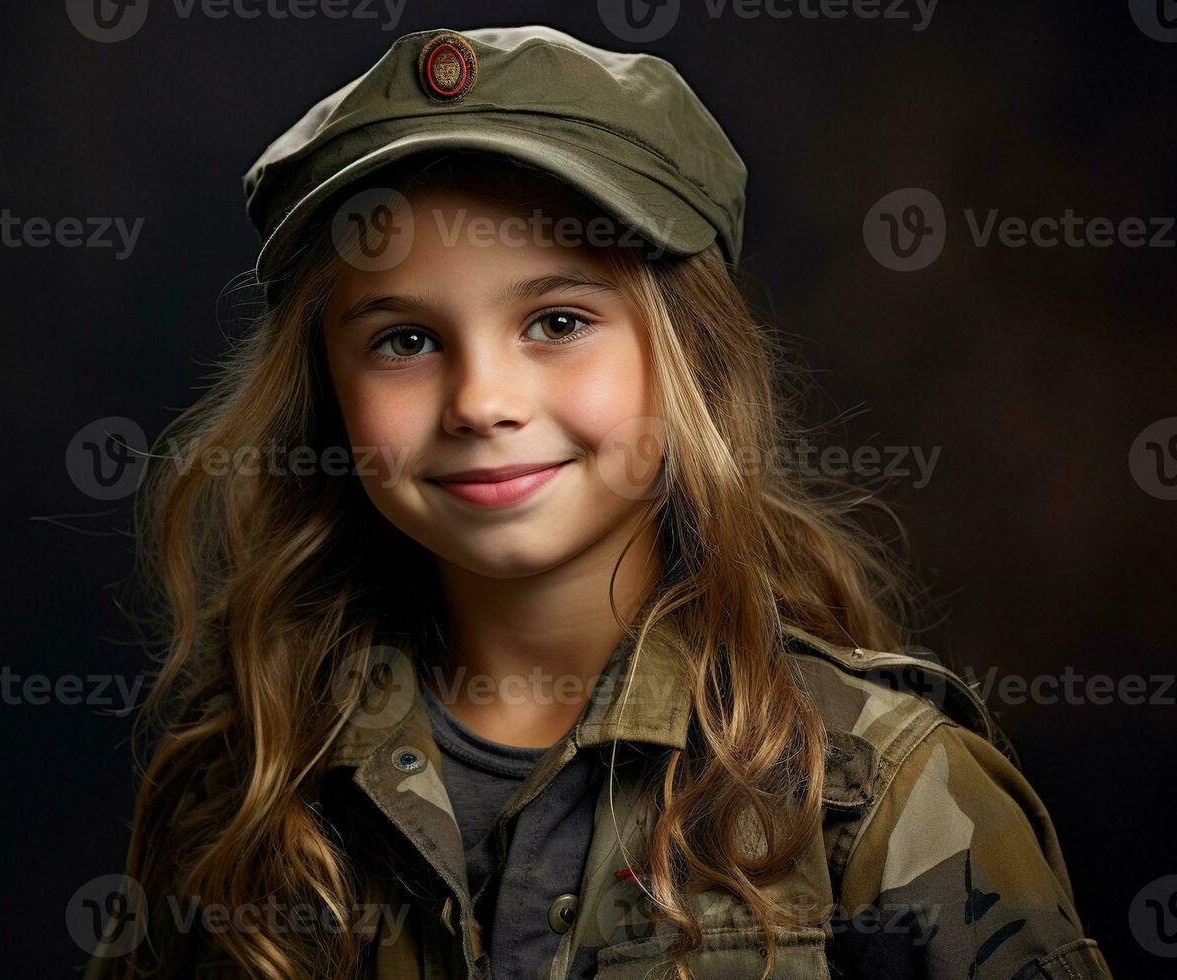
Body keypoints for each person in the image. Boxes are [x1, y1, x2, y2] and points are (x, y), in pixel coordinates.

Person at [82, 25, 1111, 980]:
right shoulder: (244, 789)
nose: (482, 400)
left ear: (686, 357)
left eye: (558, 319)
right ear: (326, 390)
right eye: (404, 339)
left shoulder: (886, 796)